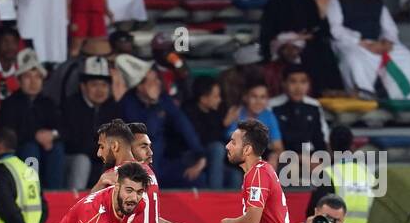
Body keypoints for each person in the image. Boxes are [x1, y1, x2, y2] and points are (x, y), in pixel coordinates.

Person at [327, 0, 410, 99]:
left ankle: (406, 99)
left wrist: (387, 43)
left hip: (376, 43)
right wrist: (361, 42)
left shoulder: (375, 0)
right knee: (354, 58)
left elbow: (390, 28)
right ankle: (363, 98)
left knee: (409, 58)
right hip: (350, 43)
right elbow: (335, 29)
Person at [116, 54, 208, 188]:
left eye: (156, 79)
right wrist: (154, 105)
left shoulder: (163, 98)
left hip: (163, 162)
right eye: (152, 81)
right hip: (137, 168)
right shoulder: (128, 103)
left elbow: (182, 123)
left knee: (197, 178)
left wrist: (200, 154)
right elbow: (147, 135)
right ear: (140, 86)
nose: (158, 83)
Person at [258, 0, 342, 96]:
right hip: (282, 52)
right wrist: (297, 38)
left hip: (309, 51)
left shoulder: (310, 4)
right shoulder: (273, 6)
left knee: (322, 50)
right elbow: (267, 36)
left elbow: (323, 34)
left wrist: (322, 14)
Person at [0, 48, 63, 189]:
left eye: (37, 77)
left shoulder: (48, 103)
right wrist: (34, 136)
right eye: (28, 77)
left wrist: (52, 135)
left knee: (57, 148)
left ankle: (55, 192)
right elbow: (7, 132)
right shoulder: (10, 103)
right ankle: (31, 191)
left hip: (45, 150)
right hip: (20, 151)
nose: (33, 82)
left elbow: (64, 127)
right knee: (30, 149)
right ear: (19, 80)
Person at [61, 55, 120, 188]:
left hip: (101, 160)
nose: (100, 90)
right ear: (83, 87)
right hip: (73, 159)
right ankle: (78, 204)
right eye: (94, 85)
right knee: (82, 161)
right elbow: (73, 142)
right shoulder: (71, 105)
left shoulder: (113, 108)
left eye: (104, 85)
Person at [271, 64, 329, 157]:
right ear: (284, 83)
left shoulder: (314, 105)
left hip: (312, 156)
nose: (298, 87)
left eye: (303, 82)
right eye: (293, 82)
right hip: (284, 159)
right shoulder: (273, 106)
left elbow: (322, 138)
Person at [226, 78, 284, 164]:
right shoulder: (236, 113)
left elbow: (278, 146)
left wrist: (274, 155)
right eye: (254, 96)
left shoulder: (269, 116)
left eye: (262, 97)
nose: (258, 102)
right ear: (245, 97)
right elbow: (232, 144)